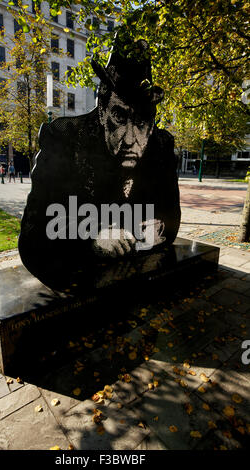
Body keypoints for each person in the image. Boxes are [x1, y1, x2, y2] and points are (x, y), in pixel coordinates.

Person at [19, 35, 181, 288]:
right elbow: (33, 239)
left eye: (141, 122)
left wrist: (137, 234)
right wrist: (91, 240)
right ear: (103, 110)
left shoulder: (161, 145)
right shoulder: (64, 138)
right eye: (120, 115)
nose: (130, 138)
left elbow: (169, 223)